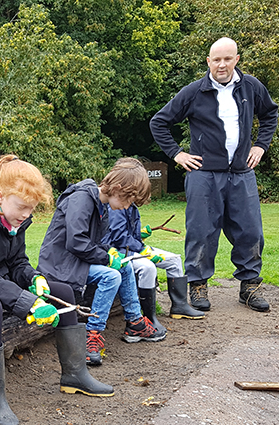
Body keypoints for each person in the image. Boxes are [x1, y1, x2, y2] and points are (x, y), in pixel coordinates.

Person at [0, 154, 114, 425]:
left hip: (0, 281)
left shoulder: (14, 219)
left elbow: (17, 262)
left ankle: (75, 374)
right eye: (22, 207)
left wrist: (35, 280)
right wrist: (28, 303)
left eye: (31, 209)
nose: (26, 215)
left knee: (64, 291)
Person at [150, 37, 278, 312]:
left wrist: (260, 145)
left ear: (236, 60)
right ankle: (197, 286)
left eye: (227, 59)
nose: (222, 64)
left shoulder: (252, 87)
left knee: (250, 230)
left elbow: (270, 114)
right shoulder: (195, 91)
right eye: (216, 59)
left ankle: (249, 287)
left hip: (242, 173)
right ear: (208, 61)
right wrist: (177, 154)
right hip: (203, 174)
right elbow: (159, 122)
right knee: (201, 232)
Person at [38, 158, 165, 367]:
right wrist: (106, 258)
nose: (128, 206)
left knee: (124, 264)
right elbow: (76, 242)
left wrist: (112, 253)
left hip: (77, 261)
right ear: (117, 188)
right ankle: (91, 337)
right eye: (129, 200)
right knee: (111, 275)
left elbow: (96, 242)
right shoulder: (81, 199)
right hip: (60, 264)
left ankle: (135, 322)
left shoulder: (102, 204)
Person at [102, 201, 205, 331]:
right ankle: (149, 317)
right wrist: (142, 249)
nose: (147, 199)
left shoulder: (130, 205)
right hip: (120, 253)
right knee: (148, 267)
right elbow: (118, 238)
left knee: (174, 260)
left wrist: (139, 235)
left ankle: (180, 306)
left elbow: (124, 233)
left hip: (134, 247)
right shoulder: (118, 207)